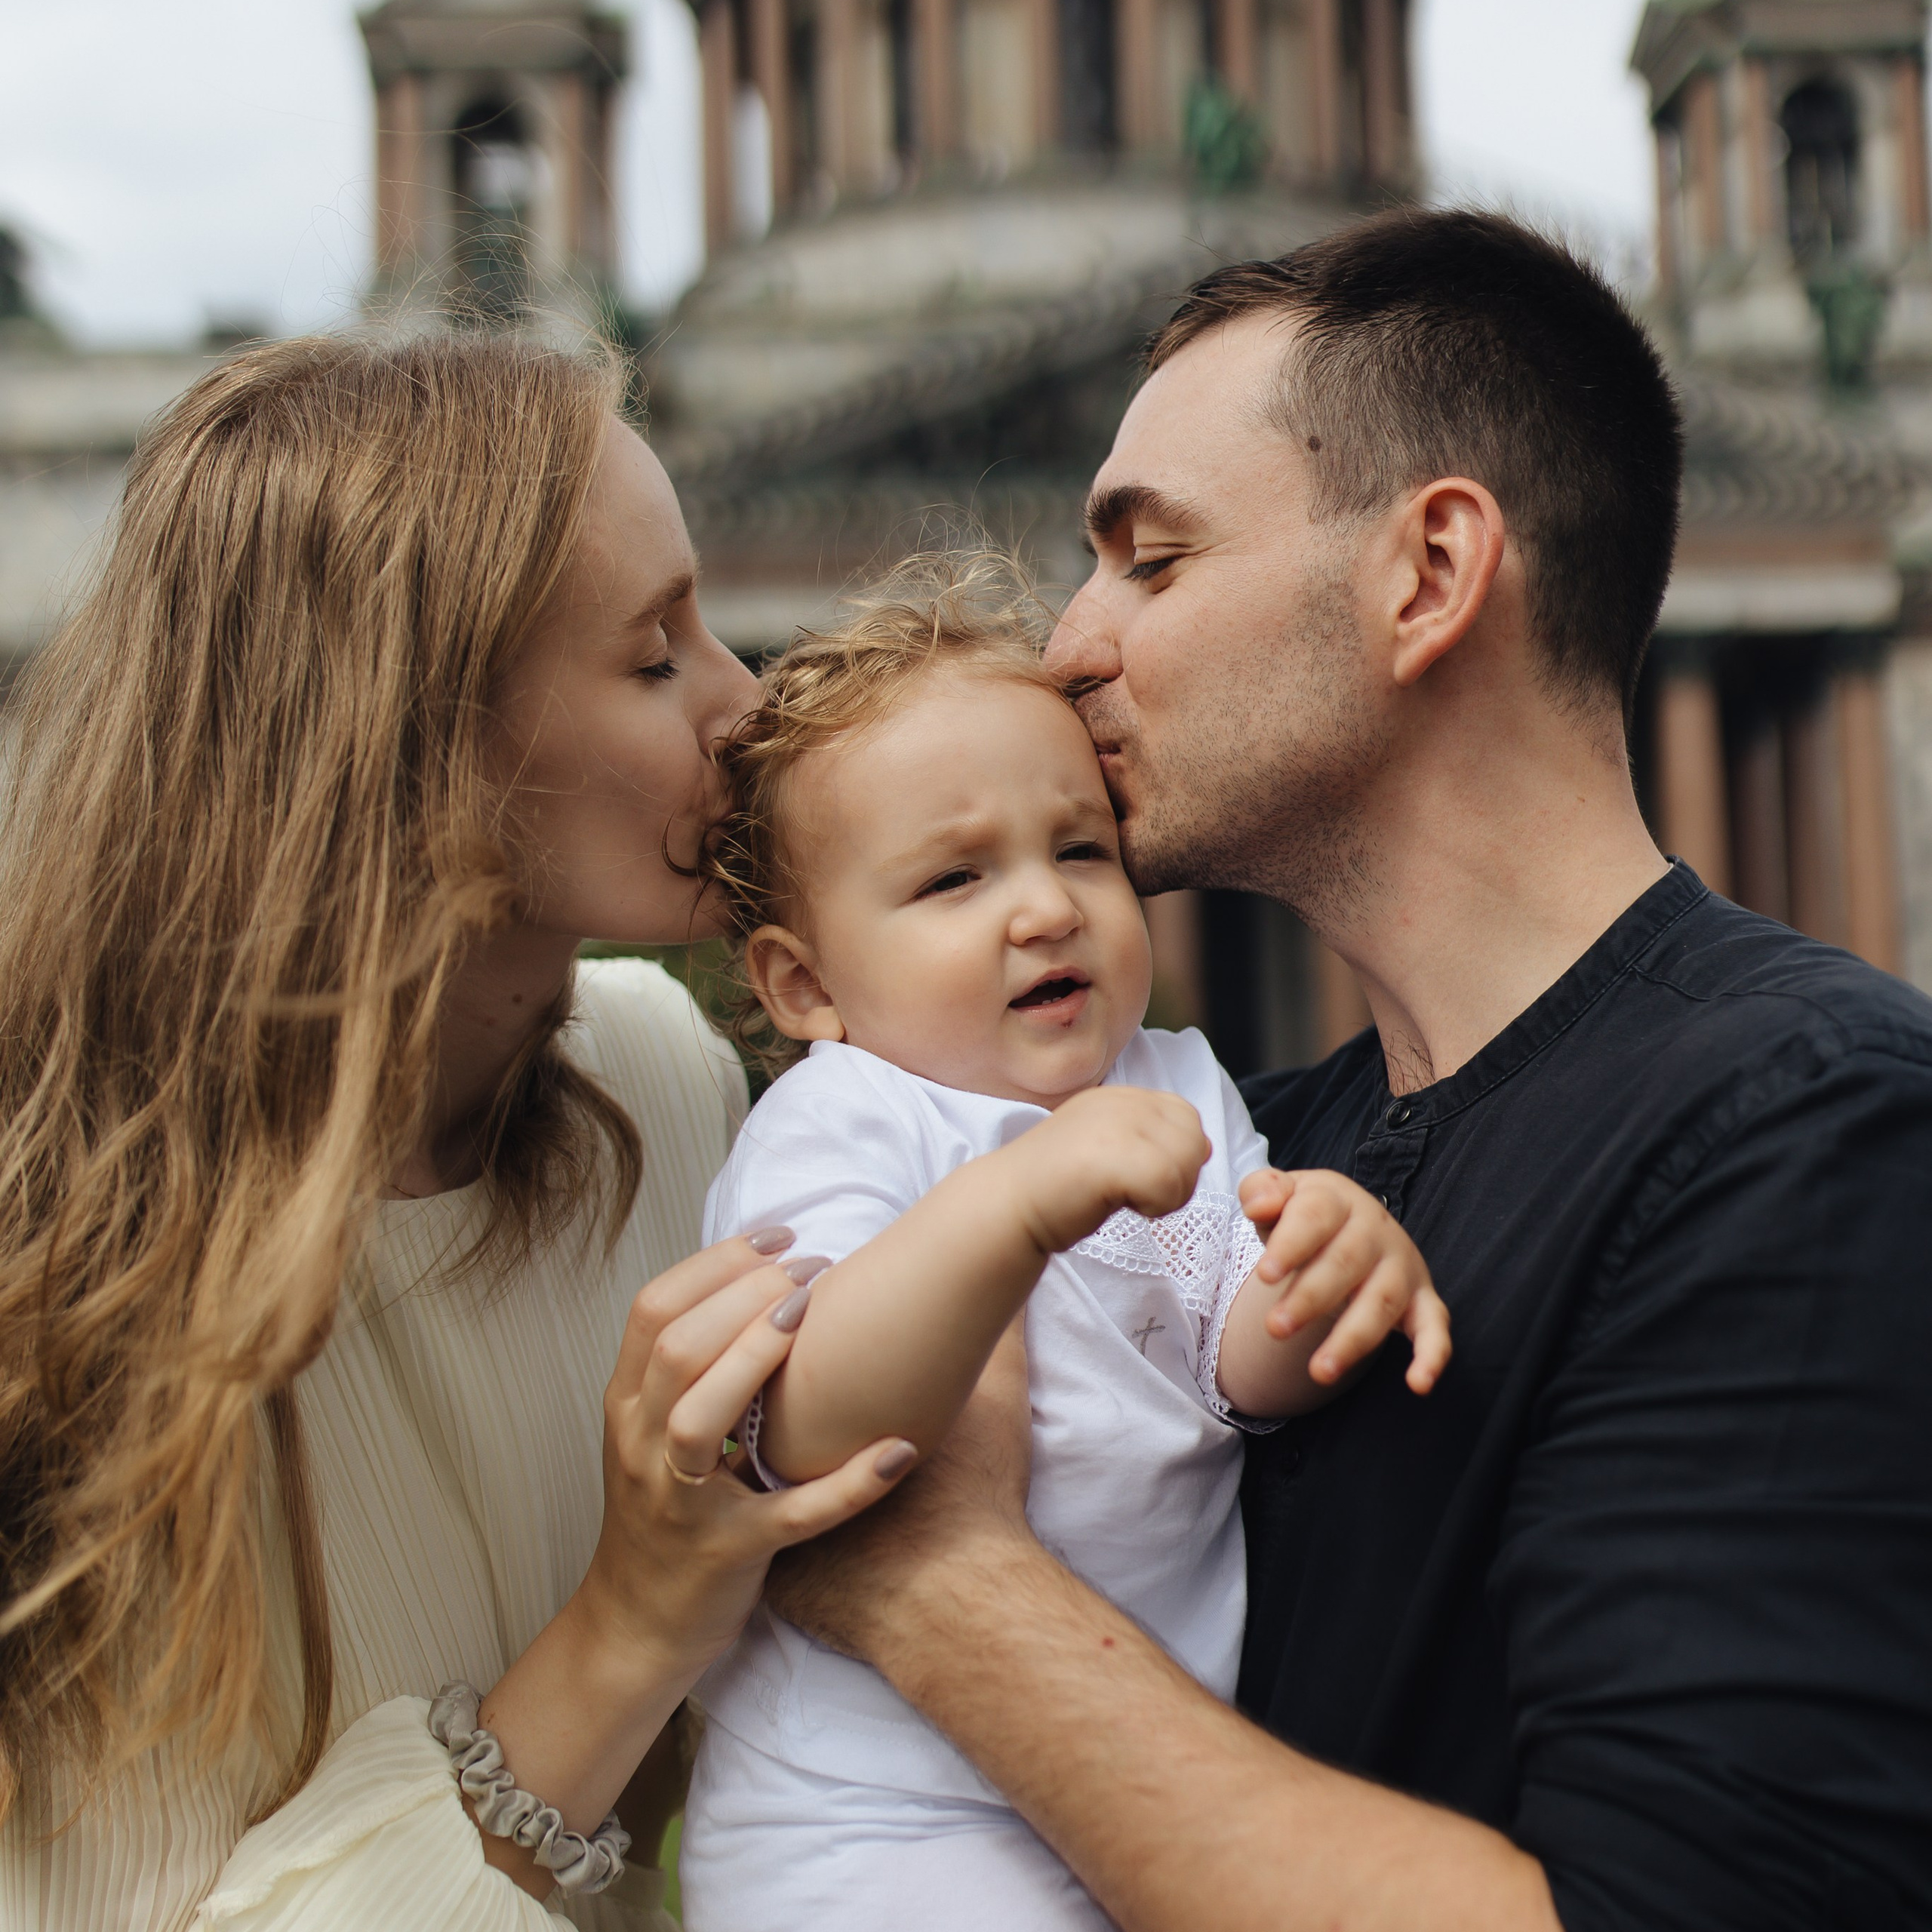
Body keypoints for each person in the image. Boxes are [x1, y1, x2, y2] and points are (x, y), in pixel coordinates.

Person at [762, 209, 1932, 1929]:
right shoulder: (1243, 1155)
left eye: (1148, 561)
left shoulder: (1811, 1125)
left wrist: (935, 1580)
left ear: (1427, 572)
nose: (1064, 647)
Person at [0, 332, 917, 1930]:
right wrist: (626, 1623)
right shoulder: (69, 1281)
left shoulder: (658, 1082)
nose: (747, 704)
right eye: (653, 658)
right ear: (405, 749)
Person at [662, 561, 1448, 1929]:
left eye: (1079, 849)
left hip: (1119, 1762)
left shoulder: (1180, 1081)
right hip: (871, 1814)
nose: (1043, 907)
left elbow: (1233, 1366)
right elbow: (804, 1422)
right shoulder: (849, 1115)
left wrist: (1326, 1277)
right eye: (956, 877)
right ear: (806, 985)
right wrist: (1016, 1206)